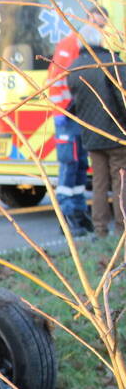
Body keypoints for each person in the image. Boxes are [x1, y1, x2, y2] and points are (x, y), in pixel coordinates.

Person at [47, 5, 108, 234]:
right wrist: (62, 112)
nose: (99, 27)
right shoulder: (71, 45)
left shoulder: (91, 44)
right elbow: (57, 81)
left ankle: (78, 211)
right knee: (69, 164)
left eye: (101, 24)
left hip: (79, 116)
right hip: (68, 116)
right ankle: (67, 213)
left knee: (81, 165)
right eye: (96, 23)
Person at [67, 23, 126, 238]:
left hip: (91, 135)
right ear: (100, 40)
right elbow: (122, 97)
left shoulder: (74, 68)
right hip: (117, 134)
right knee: (121, 183)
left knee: (99, 185)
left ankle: (100, 230)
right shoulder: (111, 63)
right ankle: (122, 230)